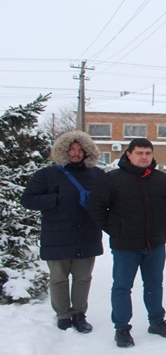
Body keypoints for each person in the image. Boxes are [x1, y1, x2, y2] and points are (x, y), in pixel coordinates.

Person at [87, 138, 166, 348]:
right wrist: (115, 229)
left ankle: (156, 321)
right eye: (139, 153)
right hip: (125, 245)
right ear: (129, 154)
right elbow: (96, 209)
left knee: (154, 284)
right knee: (122, 287)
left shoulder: (161, 179)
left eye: (147, 153)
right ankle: (122, 328)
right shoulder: (112, 179)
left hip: (154, 243)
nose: (144, 157)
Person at [20, 130, 105, 333]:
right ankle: (63, 315)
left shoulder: (97, 175)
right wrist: (54, 199)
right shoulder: (46, 175)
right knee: (58, 278)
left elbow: (108, 200)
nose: (75, 154)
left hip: (87, 234)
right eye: (71, 149)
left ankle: (79, 313)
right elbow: (27, 200)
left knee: (83, 277)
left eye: (80, 149)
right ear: (62, 151)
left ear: (87, 152)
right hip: (57, 235)